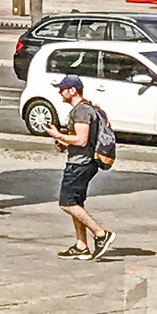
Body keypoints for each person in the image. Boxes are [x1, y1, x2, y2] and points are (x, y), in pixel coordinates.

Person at [44, 74, 117, 261]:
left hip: (80, 164)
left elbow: (81, 139)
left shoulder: (81, 111)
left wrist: (58, 135)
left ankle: (101, 234)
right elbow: (80, 140)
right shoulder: (85, 109)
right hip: (83, 162)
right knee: (77, 203)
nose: (60, 92)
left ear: (72, 90)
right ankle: (81, 245)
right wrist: (63, 143)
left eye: (62, 88)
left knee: (67, 203)